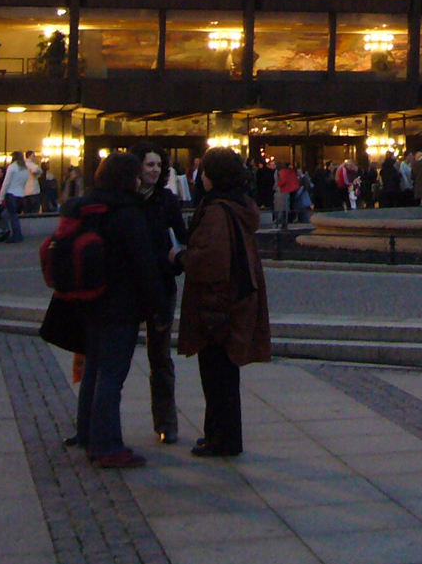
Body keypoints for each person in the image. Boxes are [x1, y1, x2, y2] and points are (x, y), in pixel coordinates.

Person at [69, 151, 166, 469]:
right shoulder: (127, 213)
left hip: (87, 301)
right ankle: (106, 445)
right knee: (112, 375)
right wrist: (157, 309)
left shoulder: (85, 207)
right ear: (128, 178)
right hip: (120, 305)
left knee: (94, 370)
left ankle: (86, 433)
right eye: (137, 174)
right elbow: (144, 266)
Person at [177, 146, 271, 458]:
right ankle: (217, 434)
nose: (200, 177)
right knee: (223, 375)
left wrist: (181, 257)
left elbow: (210, 261)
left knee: (217, 375)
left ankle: (223, 439)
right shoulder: (238, 205)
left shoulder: (217, 210)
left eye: (204, 171)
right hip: (234, 300)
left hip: (217, 304)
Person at [133, 144, 188, 445]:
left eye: (158, 165)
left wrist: (179, 256)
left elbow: (181, 235)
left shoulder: (167, 199)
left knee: (161, 356)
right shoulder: (126, 200)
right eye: (148, 164)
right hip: (129, 287)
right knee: (115, 357)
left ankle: (166, 423)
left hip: (162, 285)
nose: (154, 170)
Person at [0, 151, 33, 242]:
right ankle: (17, 234)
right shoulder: (25, 169)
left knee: (12, 216)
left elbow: (6, 183)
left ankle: (16, 235)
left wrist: (1, 197)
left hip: (11, 194)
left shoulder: (12, 167)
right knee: (13, 215)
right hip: (20, 195)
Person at [274, 161, 299, 229]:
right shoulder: (290, 171)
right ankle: (291, 218)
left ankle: (287, 220)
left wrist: (277, 185)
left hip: (289, 189)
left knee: (287, 205)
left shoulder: (283, 172)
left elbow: (283, 181)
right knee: (291, 204)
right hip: (294, 188)